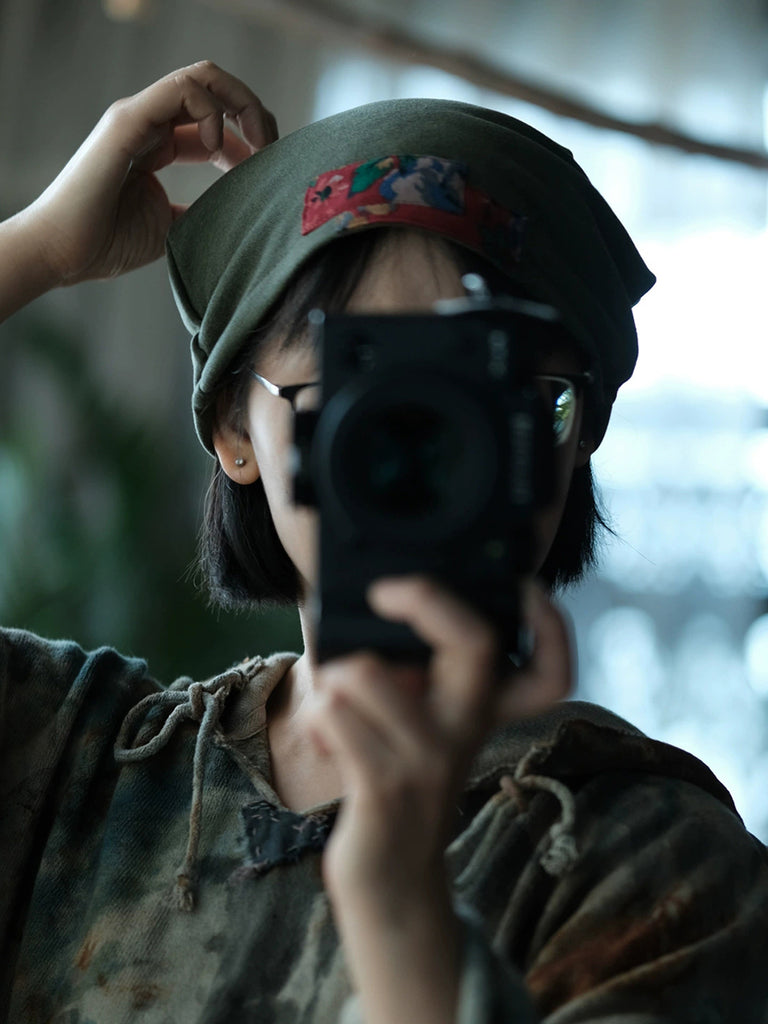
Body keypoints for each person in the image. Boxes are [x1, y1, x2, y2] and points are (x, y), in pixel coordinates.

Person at [0, 61, 766, 1024]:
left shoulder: (657, 868)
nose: (423, 444)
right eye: (359, 385)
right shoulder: (76, 767)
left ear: (574, 432)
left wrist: (404, 926)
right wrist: (34, 249)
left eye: (485, 389)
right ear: (236, 429)